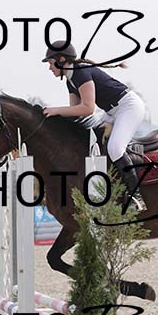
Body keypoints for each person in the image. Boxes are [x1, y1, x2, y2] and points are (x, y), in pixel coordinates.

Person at [41, 40, 147, 211]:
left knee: (115, 149)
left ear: (61, 59)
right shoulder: (70, 80)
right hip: (112, 112)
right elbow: (76, 112)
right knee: (94, 142)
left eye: (51, 63)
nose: (49, 68)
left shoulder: (80, 73)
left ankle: (136, 196)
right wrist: (53, 118)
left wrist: (56, 110)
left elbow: (88, 108)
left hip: (129, 107)